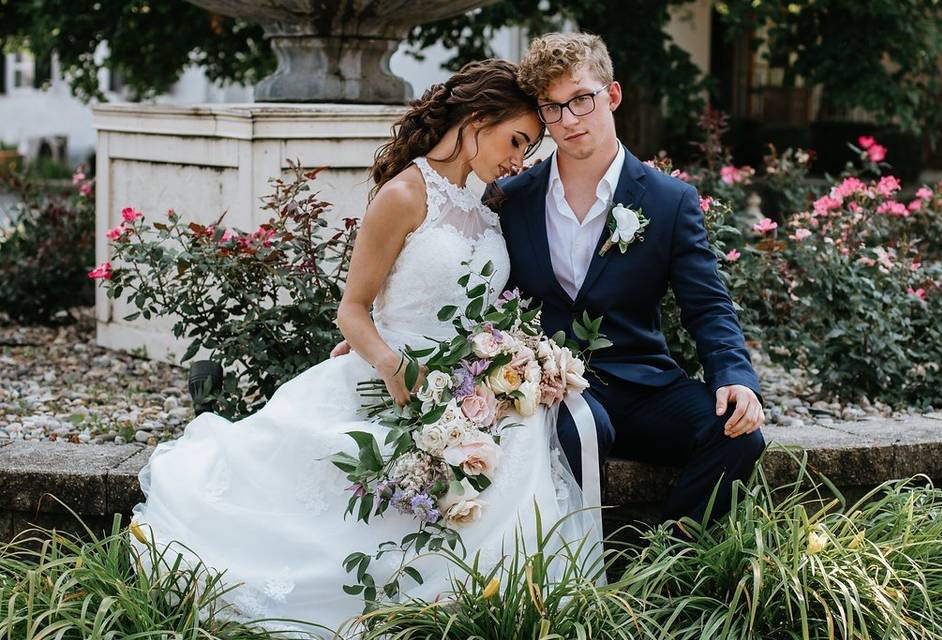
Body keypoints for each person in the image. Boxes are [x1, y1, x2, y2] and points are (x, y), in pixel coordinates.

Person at [129, 59, 605, 638]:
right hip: (392, 377)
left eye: (528, 149)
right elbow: (352, 310)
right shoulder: (404, 194)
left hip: (466, 388)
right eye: (517, 141)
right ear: (477, 120)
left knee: (524, 438)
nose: (520, 160)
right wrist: (389, 361)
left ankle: (492, 605)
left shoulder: (486, 208)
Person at [495, 32, 765, 524]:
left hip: (643, 384)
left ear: (612, 95)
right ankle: (580, 574)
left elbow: (707, 306)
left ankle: (663, 568)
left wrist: (735, 378)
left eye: (581, 99)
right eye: (551, 109)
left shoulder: (668, 200)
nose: (569, 119)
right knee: (583, 431)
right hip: (554, 388)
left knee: (740, 435)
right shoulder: (512, 198)